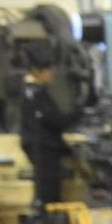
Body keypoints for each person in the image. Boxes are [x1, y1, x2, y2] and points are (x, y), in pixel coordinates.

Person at [15, 57, 74, 210]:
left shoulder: (31, 91)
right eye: (48, 71)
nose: (51, 74)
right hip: (43, 146)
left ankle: (48, 217)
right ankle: (48, 220)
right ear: (37, 72)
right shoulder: (36, 93)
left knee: (47, 189)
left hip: (39, 144)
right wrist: (76, 115)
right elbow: (52, 119)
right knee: (48, 191)